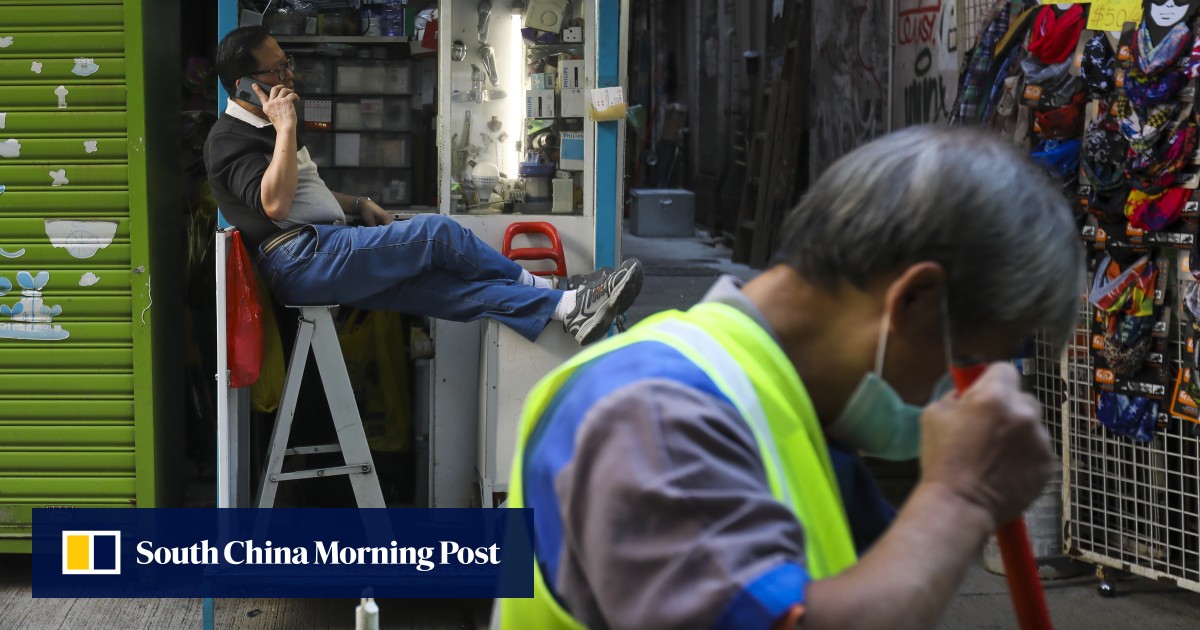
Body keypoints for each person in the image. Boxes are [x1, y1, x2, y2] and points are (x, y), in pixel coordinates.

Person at [497, 126, 1086, 628]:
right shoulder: (647, 412)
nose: (975, 396)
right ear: (914, 301)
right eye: (981, 360)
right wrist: (963, 492)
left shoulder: (787, 410)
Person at [204, 26, 642, 345]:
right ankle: (555, 290)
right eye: (278, 68)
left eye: (287, 63)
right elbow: (276, 205)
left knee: (450, 291)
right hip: (300, 259)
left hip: (322, 249)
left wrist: (359, 202)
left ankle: (568, 312)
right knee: (438, 232)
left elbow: (301, 189)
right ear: (246, 85)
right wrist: (285, 129)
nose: (289, 75)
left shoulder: (271, 127)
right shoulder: (229, 140)